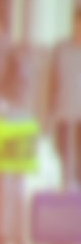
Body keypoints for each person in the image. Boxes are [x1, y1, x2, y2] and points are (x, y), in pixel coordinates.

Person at [48, 12, 81, 185]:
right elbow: (51, 82)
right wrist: (49, 113)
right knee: (64, 155)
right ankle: (68, 193)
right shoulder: (61, 50)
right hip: (64, 113)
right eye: (77, 24)